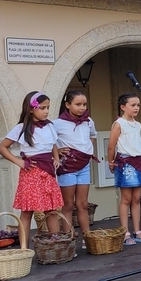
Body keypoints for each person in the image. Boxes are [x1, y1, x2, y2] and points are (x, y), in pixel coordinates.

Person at [0, 91, 63, 239]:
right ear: (31, 108)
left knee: (51, 209)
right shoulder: (21, 128)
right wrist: (19, 161)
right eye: (42, 108)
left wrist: (56, 157)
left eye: (48, 107)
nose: (46, 111)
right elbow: (2, 147)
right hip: (31, 172)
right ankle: (24, 248)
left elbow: (52, 144)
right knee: (27, 212)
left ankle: (56, 243)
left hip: (48, 172)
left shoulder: (50, 126)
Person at [54, 90, 97, 247]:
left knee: (83, 204)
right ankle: (69, 239)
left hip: (84, 166)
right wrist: (57, 152)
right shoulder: (57, 123)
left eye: (84, 104)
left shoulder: (88, 121)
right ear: (67, 105)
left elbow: (93, 135)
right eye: (78, 104)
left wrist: (86, 150)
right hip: (67, 167)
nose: (82, 108)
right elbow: (49, 142)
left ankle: (87, 238)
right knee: (68, 205)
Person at [107, 93, 141, 246]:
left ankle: (137, 231)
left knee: (137, 198)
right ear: (123, 107)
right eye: (133, 105)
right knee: (126, 198)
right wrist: (110, 162)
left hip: (137, 161)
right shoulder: (119, 123)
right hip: (124, 162)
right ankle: (124, 232)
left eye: (138, 105)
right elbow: (111, 145)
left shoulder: (137, 125)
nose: (136, 108)